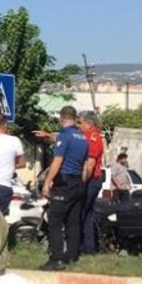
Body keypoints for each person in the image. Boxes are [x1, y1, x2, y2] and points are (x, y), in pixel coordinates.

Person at [39, 106, 90, 271]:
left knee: (54, 220)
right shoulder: (82, 138)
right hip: (78, 183)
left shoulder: (65, 136)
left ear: (61, 119)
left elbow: (57, 161)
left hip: (65, 183)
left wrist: (47, 182)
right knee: (73, 222)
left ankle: (56, 259)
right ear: (75, 118)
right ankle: (71, 257)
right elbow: (85, 166)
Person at [78, 110, 106, 254]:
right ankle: (89, 250)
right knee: (87, 216)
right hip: (90, 180)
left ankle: (82, 248)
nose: (78, 125)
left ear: (88, 123)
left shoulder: (93, 137)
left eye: (80, 122)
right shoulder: (86, 135)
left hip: (90, 180)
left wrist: (81, 183)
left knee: (80, 214)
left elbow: (90, 164)